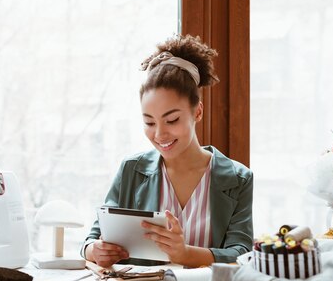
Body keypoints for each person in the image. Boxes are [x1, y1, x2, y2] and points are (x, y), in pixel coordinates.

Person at [82, 34, 253, 268]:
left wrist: (185, 254)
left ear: (197, 112)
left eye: (172, 120)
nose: (160, 135)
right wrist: (94, 251)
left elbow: (242, 254)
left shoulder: (238, 179)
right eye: (149, 123)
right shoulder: (132, 170)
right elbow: (93, 239)